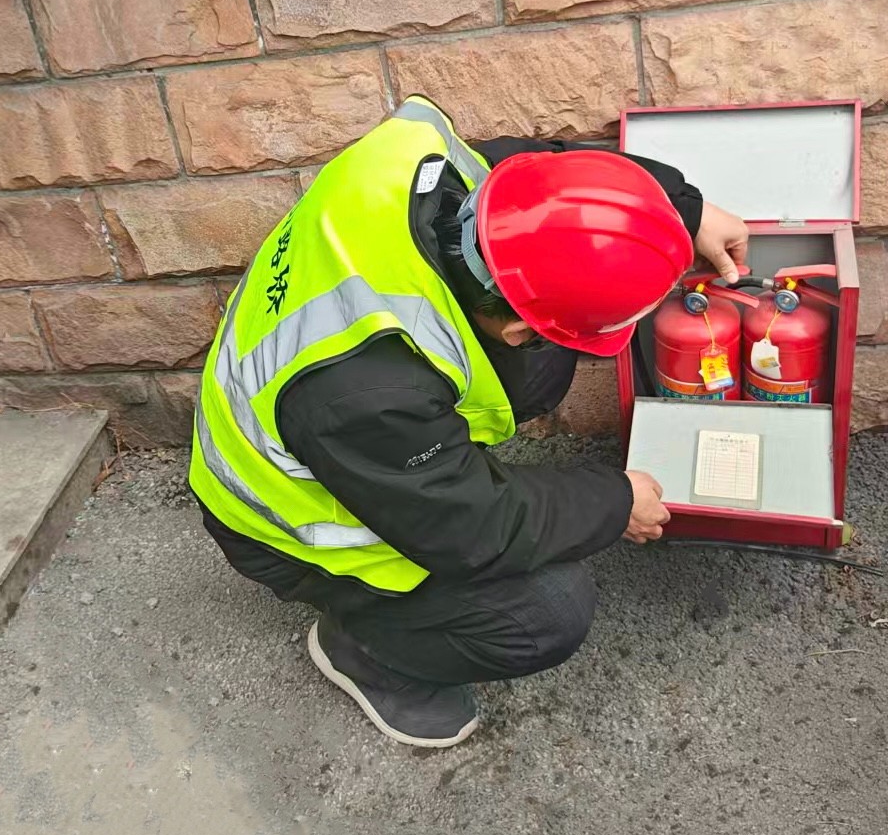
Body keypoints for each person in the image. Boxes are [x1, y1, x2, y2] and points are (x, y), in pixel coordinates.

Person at [188, 96, 750, 748]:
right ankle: (363, 650)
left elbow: (550, 176)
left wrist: (681, 212)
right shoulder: (371, 391)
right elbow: (474, 528)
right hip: (276, 520)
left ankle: (431, 465)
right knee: (548, 612)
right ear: (513, 327)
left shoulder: (416, 159)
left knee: (540, 366)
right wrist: (615, 500)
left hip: (341, 426)